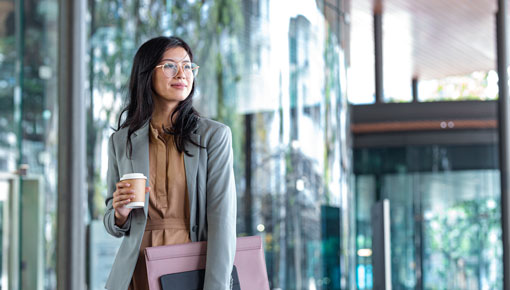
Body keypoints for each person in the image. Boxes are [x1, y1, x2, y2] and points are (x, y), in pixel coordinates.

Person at [103, 36, 237, 290]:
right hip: (136, 271)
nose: (181, 74)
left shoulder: (214, 136)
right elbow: (113, 223)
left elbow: (223, 222)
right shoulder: (121, 141)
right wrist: (119, 214)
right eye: (169, 66)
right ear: (146, 74)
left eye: (187, 66)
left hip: (190, 270)